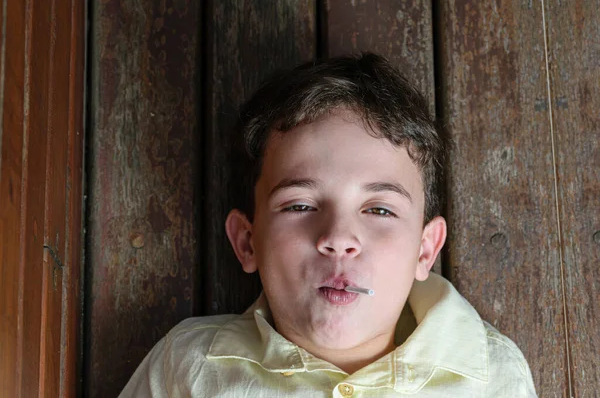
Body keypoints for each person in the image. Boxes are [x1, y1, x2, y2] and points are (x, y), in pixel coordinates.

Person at [120, 53, 537, 397]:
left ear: (425, 250)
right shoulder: (189, 366)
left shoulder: (491, 376)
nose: (338, 239)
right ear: (248, 242)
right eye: (300, 205)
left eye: (379, 210)